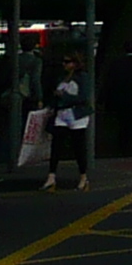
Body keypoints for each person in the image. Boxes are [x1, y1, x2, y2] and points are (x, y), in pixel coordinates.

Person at [42, 52, 93, 192]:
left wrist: (63, 95)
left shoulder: (82, 78)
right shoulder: (63, 78)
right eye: (64, 62)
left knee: (78, 146)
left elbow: (83, 97)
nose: (64, 64)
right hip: (62, 114)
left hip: (77, 115)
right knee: (56, 145)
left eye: (67, 61)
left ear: (75, 63)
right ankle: (51, 177)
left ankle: (83, 177)